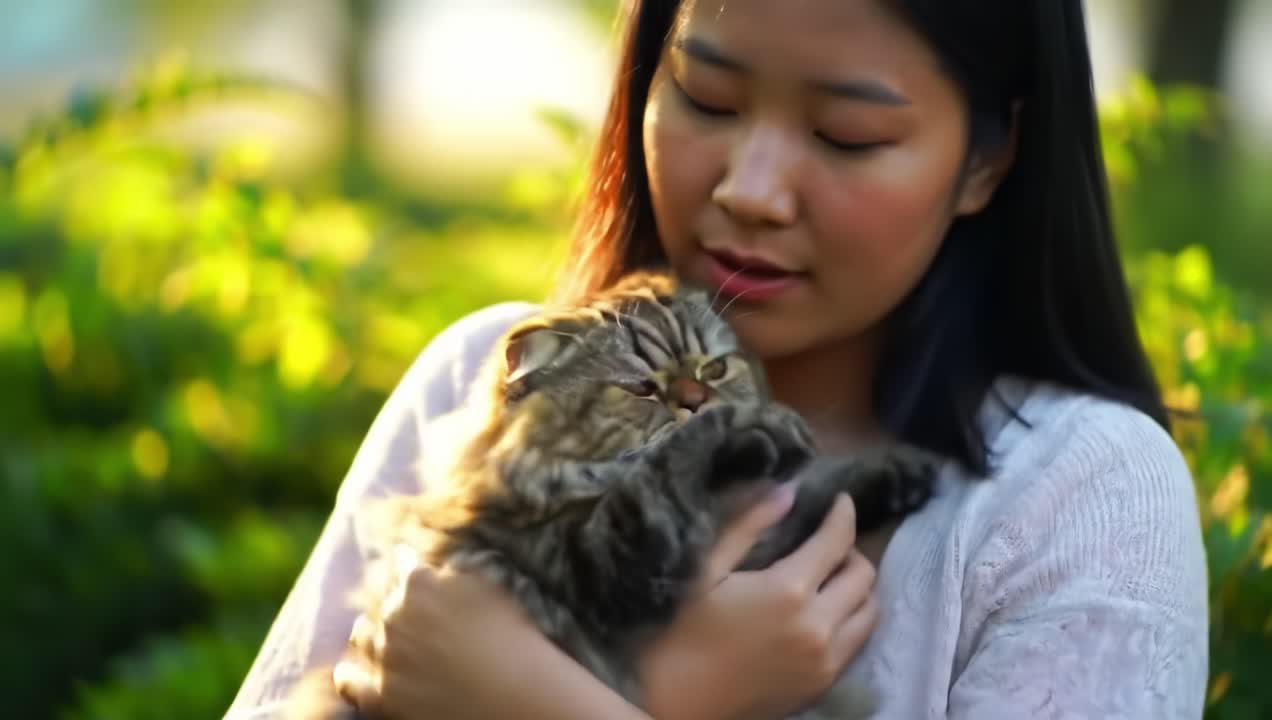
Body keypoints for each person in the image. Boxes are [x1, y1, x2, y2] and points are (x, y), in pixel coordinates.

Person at [226, 0, 1210, 717]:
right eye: (705, 96)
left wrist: (602, 697)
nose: (749, 189)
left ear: (988, 160)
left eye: (845, 134)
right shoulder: (488, 377)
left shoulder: (1073, 495)